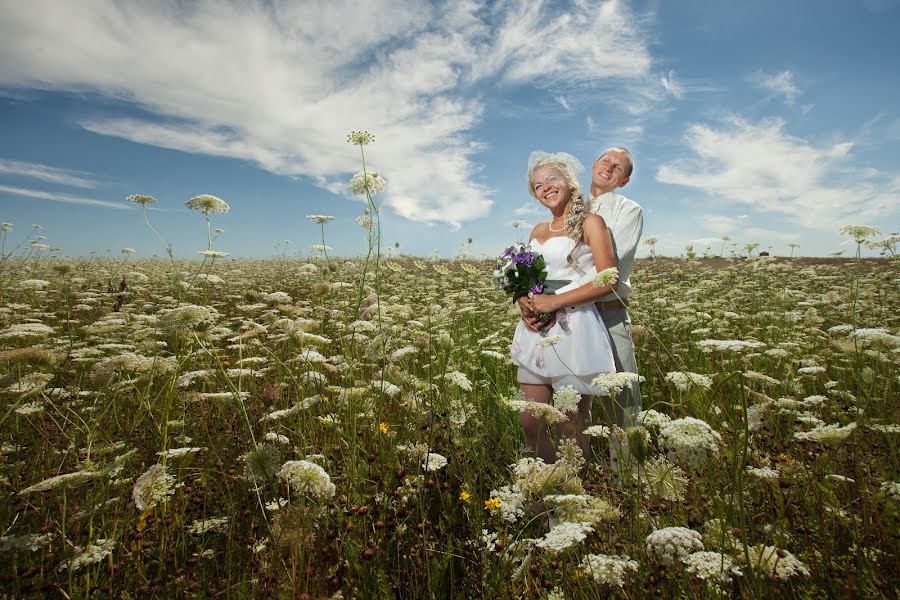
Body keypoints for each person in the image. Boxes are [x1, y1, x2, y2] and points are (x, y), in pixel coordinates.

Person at [520, 147, 642, 429]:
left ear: (623, 180)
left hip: (603, 313)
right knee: (540, 418)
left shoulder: (625, 211)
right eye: (605, 161)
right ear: (593, 164)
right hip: (553, 317)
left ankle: (622, 469)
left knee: (621, 403)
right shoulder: (571, 208)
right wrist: (524, 298)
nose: (609, 168)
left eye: (618, 168)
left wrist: (553, 300)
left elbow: (604, 272)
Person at [510, 151, 619, 463]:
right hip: (536, 328)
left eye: (552, 179)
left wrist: (555, 302)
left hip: (574, 325)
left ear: (570, 182)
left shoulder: (591, 222)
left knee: (569, 420)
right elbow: (525, 277)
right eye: (538, 185)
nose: (545, 187)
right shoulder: (537, 231)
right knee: (530, 420)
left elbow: (608, 279)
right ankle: (544, 490)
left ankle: (572, 494)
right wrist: (523, 303)